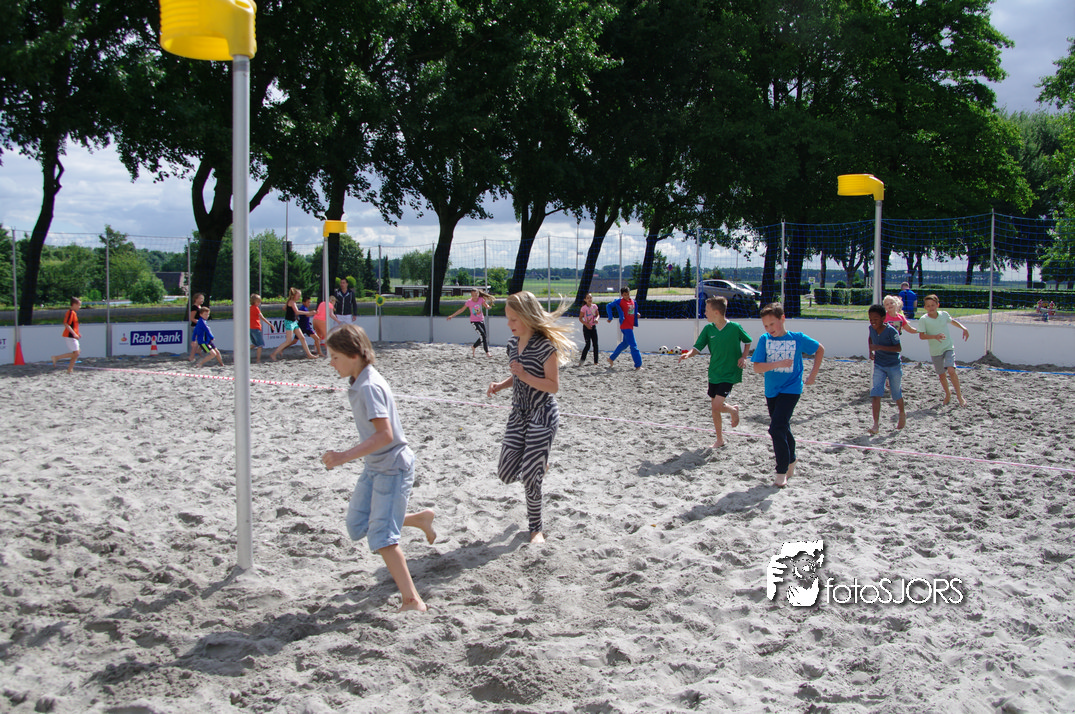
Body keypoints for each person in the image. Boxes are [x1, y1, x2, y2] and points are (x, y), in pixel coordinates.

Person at [321, 324, 436, 613]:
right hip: (376, 465)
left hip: (392, 466)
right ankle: (419, 519)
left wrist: (343, 456)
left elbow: (385, 435)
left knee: (383, 537)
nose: (331, 363)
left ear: (354, 354)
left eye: (335, 356)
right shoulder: (359, 380)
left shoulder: (369, 386)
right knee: (356, 525)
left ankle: (412, 600)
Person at [486, 291, 575, 544]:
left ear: (527, 316)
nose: (509, 324)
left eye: (514, 319)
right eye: (508, 318)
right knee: (505, 473)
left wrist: (524, 375)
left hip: (542, 413)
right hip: (518, 414)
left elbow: (553, 386)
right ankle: (537, 468)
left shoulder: (545, 347)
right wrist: (501, 385)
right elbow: (517, 375)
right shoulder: (512, 344)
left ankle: (536, 529)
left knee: (529, 477)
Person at [751, 302, 824, 488]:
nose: (769, 328)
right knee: (783, 426)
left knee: (776, 428)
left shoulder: (797, 338)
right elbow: (757, 367)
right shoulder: (764, 339)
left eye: (772, 324)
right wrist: (777, 364)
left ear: (782, 319)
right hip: (771, 390)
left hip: (792, 389)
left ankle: (781, 471)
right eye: (765, 326)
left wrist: (813, 375)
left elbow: (819, 349)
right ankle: (792, 460)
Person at [678, 296, 752, 448]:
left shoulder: (735, 327)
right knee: (715, 408)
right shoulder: (708, 329)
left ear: (716, 312)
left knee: (717, 406)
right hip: (714, 373)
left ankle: (733, 411)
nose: (704, 313)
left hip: (730, 373)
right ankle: (720, 439)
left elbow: (747, 341)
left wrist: (744, 357)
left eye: (707, 310)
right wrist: (688, 354)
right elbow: (697, 347)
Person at [917, 294, 969, 407]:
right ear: (925, 307)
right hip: (935, 351)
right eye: (928, 306)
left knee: (951, 370)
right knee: (941, 375)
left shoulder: (944, 314)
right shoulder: (923, 319)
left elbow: (952, 321)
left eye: (933, 305)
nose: (931, 307)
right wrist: (935, 337)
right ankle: (948, 394)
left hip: (948, 347)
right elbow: (921, 336)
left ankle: (959, 396)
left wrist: (963, 328)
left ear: (938, 305)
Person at [867, 304, 906, 434]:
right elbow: (870, 338)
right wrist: (870, 351)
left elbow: (898, 348)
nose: (873, 322)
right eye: (871, 319)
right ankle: (875, 425)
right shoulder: (871, 328)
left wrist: (879, 347)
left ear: (883, 318)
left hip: (893, 365)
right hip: (879, 365)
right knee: (876, 394)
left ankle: (902, 412)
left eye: (875, 319)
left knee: (896, 392)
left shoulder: (891, 331)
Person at [447, 288, 495, 357]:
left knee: (484, 336)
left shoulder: (481, 299)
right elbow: (461, 310)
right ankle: (487, 352)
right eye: (473, 295)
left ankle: (474, 346)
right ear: (471, 295)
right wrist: (452, 316)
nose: (475, 296)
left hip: (481, 320)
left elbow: (485, 305)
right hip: (474, 321)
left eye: (476, 295)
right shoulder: (469, 302)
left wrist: (488, 307)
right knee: (482, 335)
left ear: (478, 294)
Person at [271, 288, 317, 361]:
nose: (299, 297)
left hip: (293, 322)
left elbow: (284, 308)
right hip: (289, 322)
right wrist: (309, 313)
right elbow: (297, 312)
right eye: (298, 296)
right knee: (288, 341)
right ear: (294, 295)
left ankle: (309, 354)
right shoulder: (292, 302)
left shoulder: (291, 302)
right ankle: (274, 354)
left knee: (302, 338)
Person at [606, 287, 642, 370]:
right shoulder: (620, 301)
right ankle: (638, 365)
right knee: (633, 345)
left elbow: (631, 311)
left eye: (628, 294)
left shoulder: (632, 301)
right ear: (622, 295)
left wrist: (637, 314)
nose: (627, 296)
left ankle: (611, 358)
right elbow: (608, 306)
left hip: (630, 326)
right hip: (625, 326)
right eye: (625, 295)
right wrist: (610, 317)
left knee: (624, 344)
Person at [51, 297, 82, 373]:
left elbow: (73, 325)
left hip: (72, 335)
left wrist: (77, 333)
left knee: (76, 352)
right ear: (74, 304)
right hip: (69, 335)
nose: (79, 307)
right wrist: (74, 334)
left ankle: (70, 369)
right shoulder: (70, 312)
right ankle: (56, 357)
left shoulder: (73, 313)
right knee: (76, 353)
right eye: (79, 305)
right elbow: (66, 324)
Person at [578, 292, 600, 366]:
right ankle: (581, 361)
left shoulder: (594, 306)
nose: (589, 299)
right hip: (586, 328)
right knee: (588, 344)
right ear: (585, 299)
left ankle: (596, 361)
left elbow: (597, 315)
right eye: (588, 298)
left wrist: (596, 319)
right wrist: (586, 324)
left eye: (590, 297)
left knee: (595, 344)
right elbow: (580, 318)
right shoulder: (584, 308)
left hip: (593, 327)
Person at [249, 294, 272, 364]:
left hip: (250, 328)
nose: (259, 303)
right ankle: (258, 360)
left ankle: (243, 351)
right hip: (256, 328)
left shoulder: (249, 308)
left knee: (255, 344)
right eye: (258, 302)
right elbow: (262, 317)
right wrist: (270, 324)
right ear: (254, 301)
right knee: (260, 345)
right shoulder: (256, 308)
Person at [187, 292, 205, 361]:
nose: (202, 300)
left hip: (200, 327)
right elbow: (191, 318)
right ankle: (192, 356)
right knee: (196, 342)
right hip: (195, 327)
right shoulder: (194, 308)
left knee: (203, 340)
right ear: (196, 299)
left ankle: (198, 351)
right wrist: (199, 323)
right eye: (200, 298)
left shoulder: (200, 307)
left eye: (203, 299)